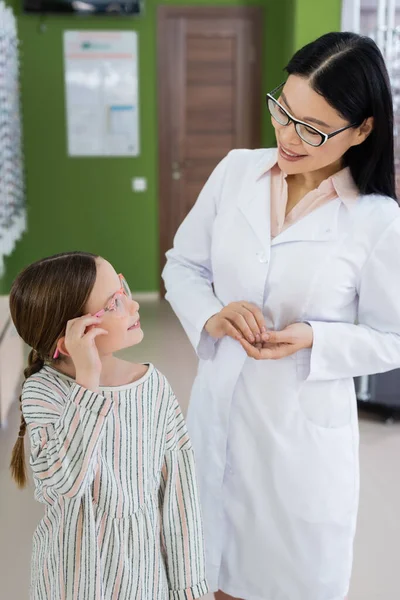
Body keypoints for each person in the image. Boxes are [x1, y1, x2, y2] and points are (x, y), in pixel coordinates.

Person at [162, 31, 400, 600]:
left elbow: (392, 337)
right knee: (208, 574)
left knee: (289, 581)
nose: (288, 137)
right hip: (218, 411)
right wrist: (212, 316)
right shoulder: (235, 171)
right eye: (283, 111)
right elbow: (182, 266)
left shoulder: (376, 220)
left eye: (313, 129)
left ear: (363, 129)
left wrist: (314, 338)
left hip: (302, 443)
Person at [9, 251, 208, 600]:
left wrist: (188, 589)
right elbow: (65, 483)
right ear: (70, 339)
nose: (132, 306)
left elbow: (180, 499)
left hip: (145, 582)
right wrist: (88, 380)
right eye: (114, 303)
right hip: (68, 584)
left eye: (124, 289)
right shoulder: (43, 391)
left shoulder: (153, 388)